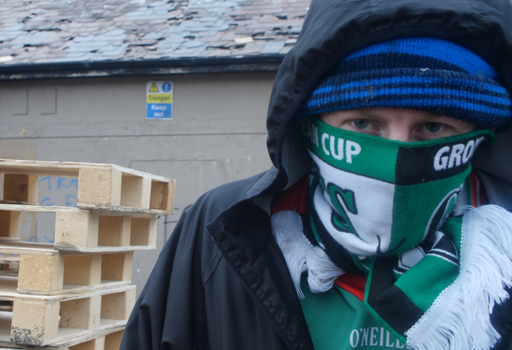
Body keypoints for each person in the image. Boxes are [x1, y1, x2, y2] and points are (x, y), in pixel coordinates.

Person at [120, 0, 512, 349]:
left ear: (480, 136)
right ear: (310, 127)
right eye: (363, 123)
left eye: (433, 128)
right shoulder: (222, 225)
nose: (398, 156)